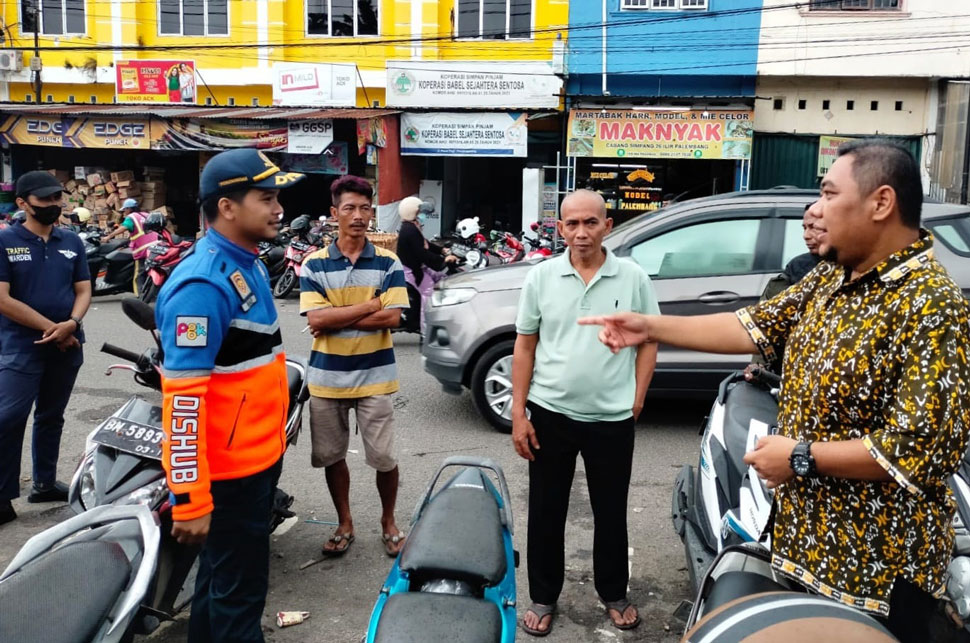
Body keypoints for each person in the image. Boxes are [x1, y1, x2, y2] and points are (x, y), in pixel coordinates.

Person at [580, 141, 970, 643]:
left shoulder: (932, 306)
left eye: (829, 194)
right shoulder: (832, 279)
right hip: (804, 547)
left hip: (874, 579)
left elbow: (920, 451)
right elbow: (752, 328)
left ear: (881, 203)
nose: (816, 210)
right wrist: (648, 328)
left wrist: (801, 457)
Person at [155, 149, 304, 642]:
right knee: (239, 600)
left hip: (256, 460)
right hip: (228, 475)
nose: (278, 208)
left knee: (220, 584)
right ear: (227, 207)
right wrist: (191, 498)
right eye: (266, 198)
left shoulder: (249, 263)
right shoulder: (203, 283)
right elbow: (183, 403)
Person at [511, 189, 659, 636]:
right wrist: (519, 413)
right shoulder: (541, 277)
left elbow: (650, 338)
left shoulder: (631, 277)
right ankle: (543, 596)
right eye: (571, 224)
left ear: (607, 226)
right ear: (560, 229)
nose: (581, 233)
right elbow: (525, 344)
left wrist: (638, 396)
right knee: (546, 509)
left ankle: (614, 592)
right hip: (550, 413)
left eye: (590, 223)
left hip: (611, 419)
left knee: (610, 510)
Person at [300, 175, 410, 558]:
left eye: (365, 208)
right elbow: (316, 321)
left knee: (384, 458)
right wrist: (369, 305)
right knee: (332, 457)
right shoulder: (313, 264)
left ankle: (388, 521)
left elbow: (394, 318)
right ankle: (345, 522)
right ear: (334, 214)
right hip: (326, 380)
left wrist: (336, 315)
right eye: (349, 208)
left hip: (376, 378)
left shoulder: (387, 261)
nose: (359, 215)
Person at [0, 171, 91, 526]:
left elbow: (83, 289)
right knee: (8, 418)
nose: (54, 205)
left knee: (51, 415)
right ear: (23, 204)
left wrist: (73, 324)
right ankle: (3, 494)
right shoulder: (6, 241)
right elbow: (3, 300)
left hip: (67, 345)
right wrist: (52, 327)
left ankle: (43, 482)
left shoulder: (71, 241)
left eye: (57, 199)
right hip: (22, 346)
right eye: (45, 200)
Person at [747, 202, 823, 374]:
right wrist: (760, 366)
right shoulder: (798, 267)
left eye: (814, 227)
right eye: (804, 228)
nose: (806, 236)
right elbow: (765, 322)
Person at [395, 196, 457, 332]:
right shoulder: (409, 230)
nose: (422, 215)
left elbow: (426, 244)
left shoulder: (412, 226)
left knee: (441, 277)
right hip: (411, 271)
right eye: (420, 212)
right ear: (412, 212)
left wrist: (441, 250)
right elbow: (422, 253)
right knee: (429, 293)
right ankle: (426, 330)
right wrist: (443, 260)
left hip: (419, 267)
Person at [103, 198, 159, 295]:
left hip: (143, 250)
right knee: (152, 270)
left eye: (125, 210)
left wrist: (108, 237)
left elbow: (124, 228)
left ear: (129, 209)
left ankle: (140, 295)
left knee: (139, 273)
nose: (124, 212)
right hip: (156, 248)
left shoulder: (131, 217)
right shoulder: (146, 215)